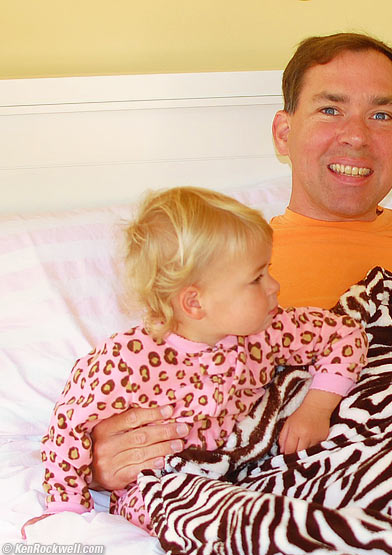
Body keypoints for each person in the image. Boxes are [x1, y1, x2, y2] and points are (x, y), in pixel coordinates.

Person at [87, 33, 392, 492]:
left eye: (381, 115)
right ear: (284, 132)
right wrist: (98, 463)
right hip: (314, 477)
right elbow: (172, 387)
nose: (357, 136)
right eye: (330, 109)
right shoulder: (225, 259)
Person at [25, 187, 367, 534]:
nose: (274, 286)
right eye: (256, 278)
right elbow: (68, 426)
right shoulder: (127, 361)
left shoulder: (266, 330)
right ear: (194, 303)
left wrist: (316, 408)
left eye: (269, 270)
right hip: (163, 488)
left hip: (244, 469)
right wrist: (67, 508)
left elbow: (345, 335)